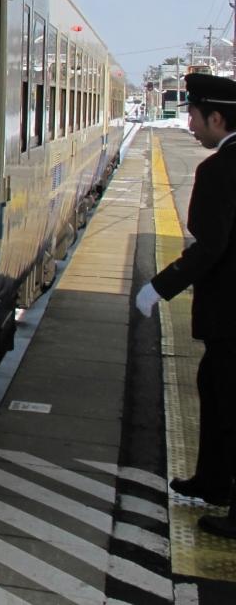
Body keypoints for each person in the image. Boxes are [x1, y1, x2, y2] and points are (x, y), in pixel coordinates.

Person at [135, 72, 236, 536]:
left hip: (230, 314)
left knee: (227, 401)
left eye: (193, 116)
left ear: (217, 119)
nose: (190, 125)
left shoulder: (218, 170)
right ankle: (213, 481)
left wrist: (159, 287)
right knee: (212, 389)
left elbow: (211, 246)